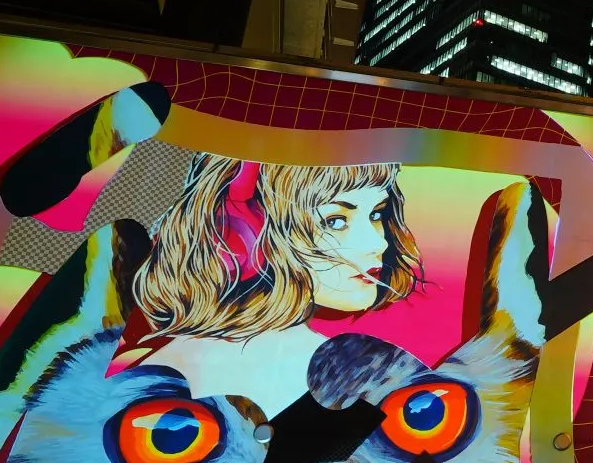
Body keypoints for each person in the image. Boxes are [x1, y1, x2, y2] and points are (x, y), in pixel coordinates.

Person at [131, 156, 424, 405]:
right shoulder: (167, 379)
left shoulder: (353, 368)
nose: (377, 243)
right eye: (335, 221)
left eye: (376, 214)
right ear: (243, 234)